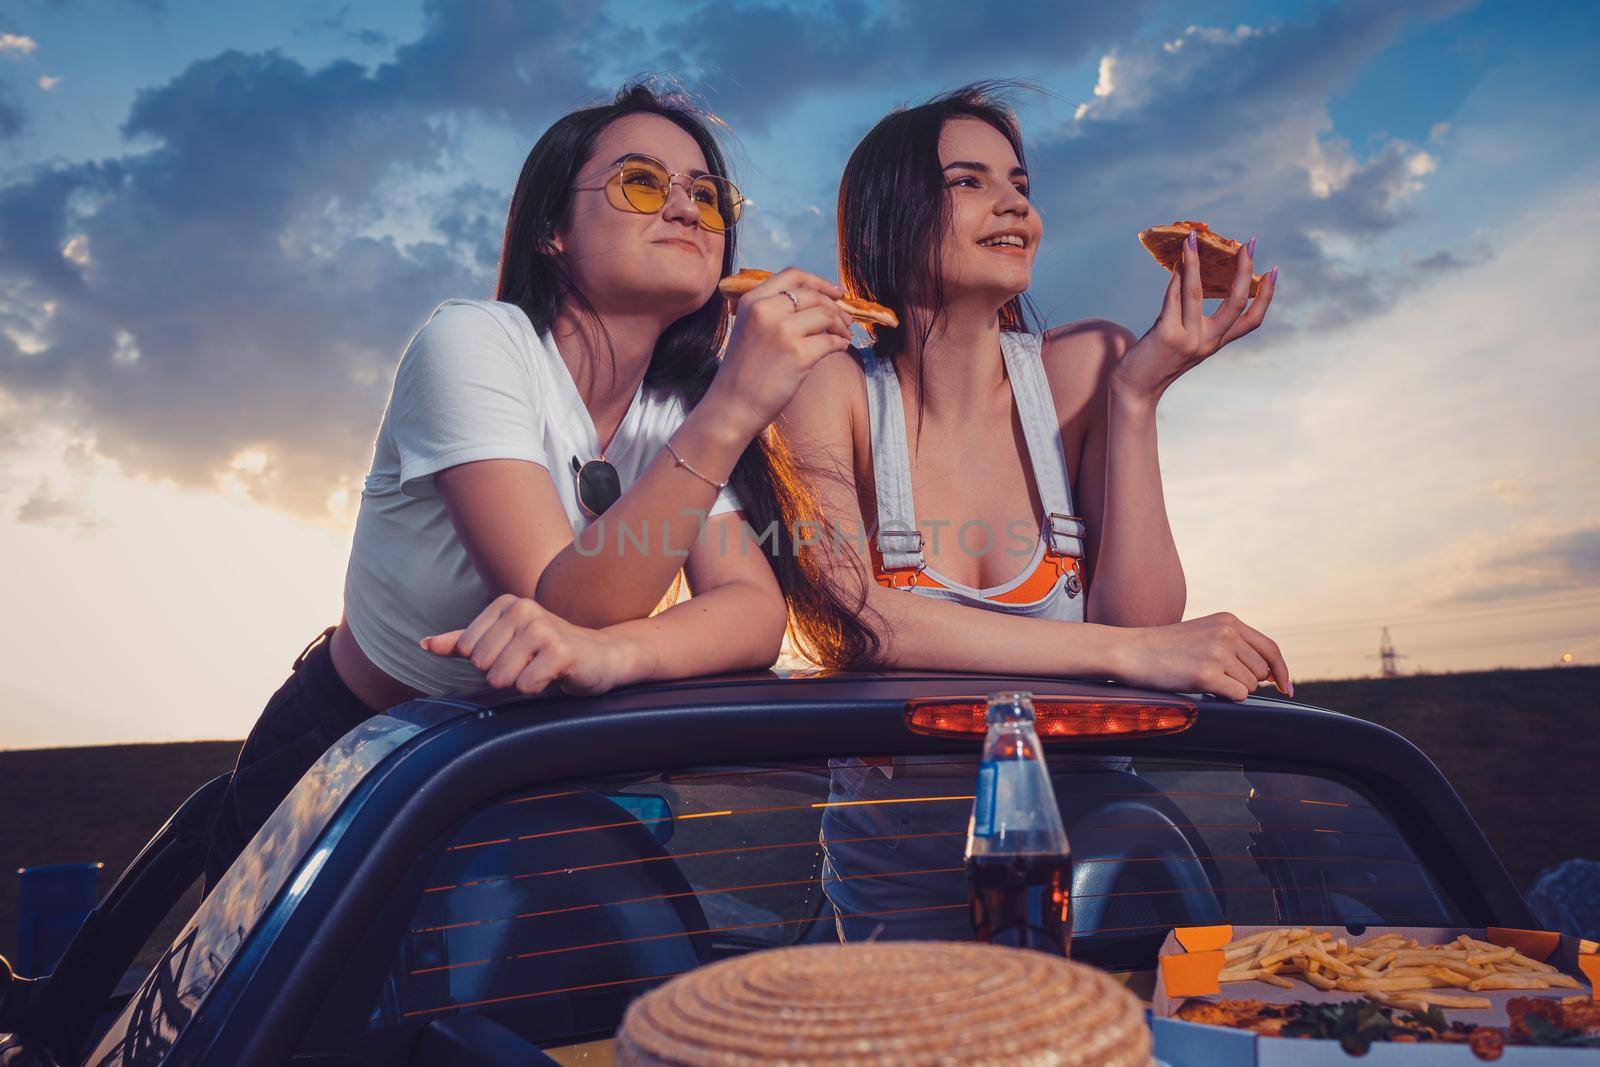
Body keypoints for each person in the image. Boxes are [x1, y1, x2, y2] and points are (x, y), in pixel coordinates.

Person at [202, 81, 862, 894]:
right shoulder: (472, 343)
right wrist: (736, 405)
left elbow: (754, 615)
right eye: (643, 183)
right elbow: (562, 604)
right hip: (356, 758)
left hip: (518, 764)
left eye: (708, 196)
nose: (688, 211)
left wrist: (613, 655)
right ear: (552, 229)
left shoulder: (674, 406)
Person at [786, 83, 1291, 942]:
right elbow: (855, 623)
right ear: (890, 214)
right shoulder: (827, 386)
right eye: (969, 181)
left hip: (1091, 872)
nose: (1016, 201)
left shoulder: (1090, 363)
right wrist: (1125, 656)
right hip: (899, 895)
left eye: (1019, 181)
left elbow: (1142, 616)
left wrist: (1136, 397)